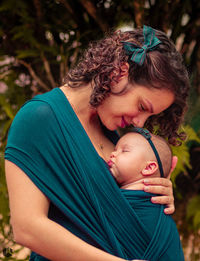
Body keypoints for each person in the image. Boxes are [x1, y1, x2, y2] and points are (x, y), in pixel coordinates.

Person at [4, 25, 189, 261]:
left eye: (148, 117)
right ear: (119, 73)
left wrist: (152, 197)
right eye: (142, 107)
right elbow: (28, 228)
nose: (139, 122)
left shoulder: (113, 129)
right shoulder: (39, 118)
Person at [108, 129, 184, 260]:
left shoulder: (129, 204)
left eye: (124, 151)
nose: (113, 154)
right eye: (115, 149)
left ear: (149, 168)